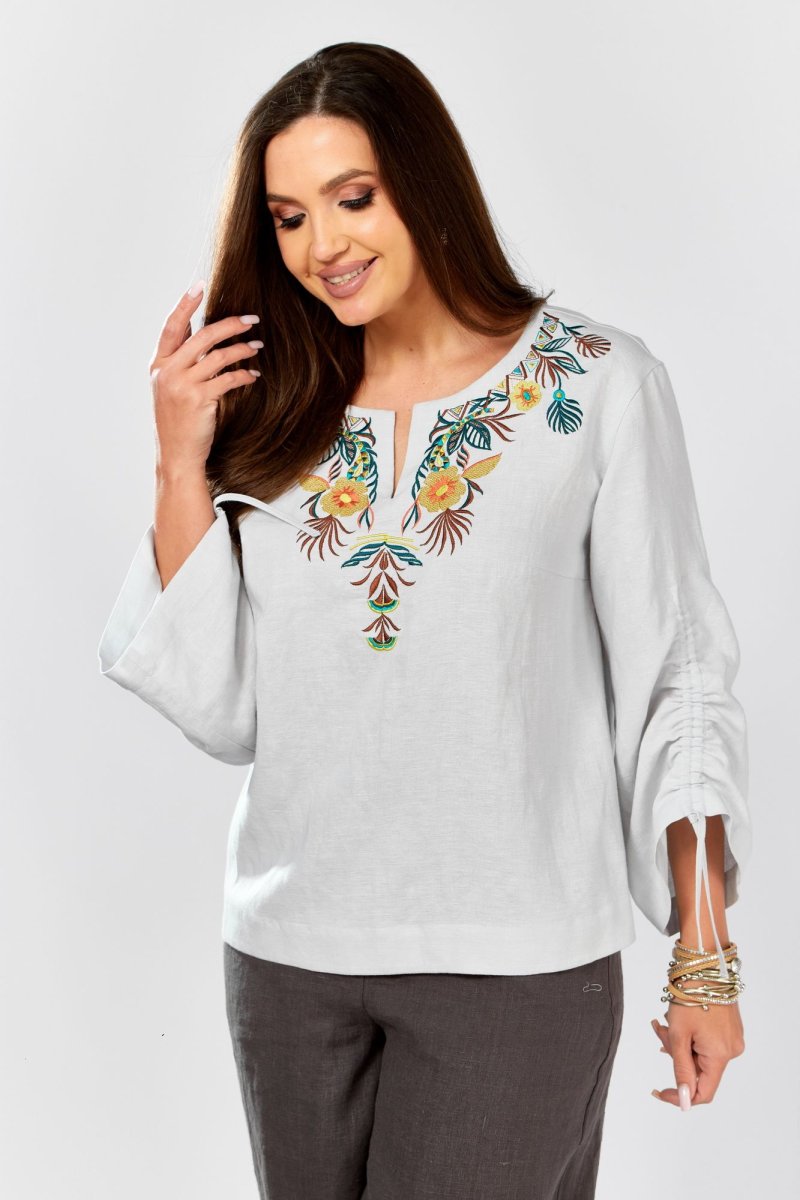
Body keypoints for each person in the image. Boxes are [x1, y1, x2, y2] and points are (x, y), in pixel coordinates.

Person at [97, 41, 752, 1200]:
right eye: (288, 217)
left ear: (422, 177)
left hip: (515, 969)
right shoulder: (280, 406)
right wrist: (176, 465)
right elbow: (226, 710)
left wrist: (702, 958)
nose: (322, 245)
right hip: (286, 963)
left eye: (352, 198)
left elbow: (678, 676)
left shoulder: (594, 386)